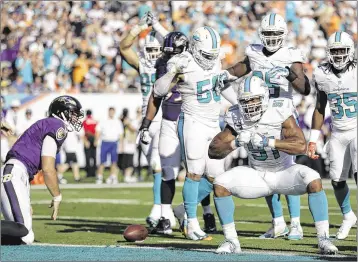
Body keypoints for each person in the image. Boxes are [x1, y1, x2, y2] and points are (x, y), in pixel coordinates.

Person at [208, 76, 337, 255]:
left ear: (265, 98)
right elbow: (213, 151)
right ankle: (231, 241)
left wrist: (269, 142)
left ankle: (323, 239)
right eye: (246, 101)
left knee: (313, 179)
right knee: (220, 184)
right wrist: (235, 143)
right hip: (257, 174)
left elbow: (300, 145)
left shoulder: (278, 111)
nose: (250, 105)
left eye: (254, 99)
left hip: (283, 172)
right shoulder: (236, 115)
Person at [223, 13, 311, 240]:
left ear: (284, 35)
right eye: (268, 34)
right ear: (262, 34)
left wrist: (289, 73)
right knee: (263, 166)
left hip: (282, 114)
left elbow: (305, 88)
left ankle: (296, 224)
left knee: (286, 168)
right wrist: (223, 75)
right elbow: (241, 68)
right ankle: (278, 222)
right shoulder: (253, 51)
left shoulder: (291, 54)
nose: (272, 38)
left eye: (276, 34)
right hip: (257, 114)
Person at [153, 26, 237, 240]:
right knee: (194, 172)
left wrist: (238, 103)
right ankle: (191, 222)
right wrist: (172, 72)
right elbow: (159, 90)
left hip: (213, 123)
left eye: (212, 55)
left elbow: (220, 85)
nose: (210, 59)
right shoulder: (182, 62)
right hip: (192, 122)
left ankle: (181, 209)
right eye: (206, 54)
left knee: (216, 177)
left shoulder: (214, 61)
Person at [143, 31, 217, 234]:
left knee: (201, 171)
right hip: (169, 121)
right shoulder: (163, 64)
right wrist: (145, 124)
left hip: (193, 122)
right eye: (168, 53)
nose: (171, 56)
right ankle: (166, 217)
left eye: (175, 52)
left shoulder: (197, 63)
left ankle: (203, 212)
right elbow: (156, 95)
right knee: (168, 171)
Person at [1, 95, 83, 244]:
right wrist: (57, 196)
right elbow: (47, 168)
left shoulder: (47, 124)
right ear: (62, 113)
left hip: (18, 174)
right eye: (73, 113)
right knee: (23, 234)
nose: (76, 118)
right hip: (14, 173)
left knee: (25, 235)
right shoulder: (57, 126)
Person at [119, 11, 168, 227]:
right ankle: (170, 212)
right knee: (156, 168)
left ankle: (158, 212)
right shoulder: (143, 65)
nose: (153, 54)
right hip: (147, 120)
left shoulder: (171, 63)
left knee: (159, 166)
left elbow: (181, 43)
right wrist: (139, 28)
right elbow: (123, 47)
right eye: (150, 50)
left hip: (167, 117)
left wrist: (157, 28)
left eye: (157, 50)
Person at [308, 31, 357, 240]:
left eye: (341, 50)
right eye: (334, 51)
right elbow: (320, 107)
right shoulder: (321, 74)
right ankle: (348, 216)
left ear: (350, 51)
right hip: (337, 131)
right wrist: (313, 138)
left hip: (356, 128)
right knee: (337, 179)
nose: (338, 55)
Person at [95, 107, 123, 184]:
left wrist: (121, 144)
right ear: (108, 112)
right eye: (110, 112)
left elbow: (120, 134)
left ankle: (113, 176)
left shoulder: (117, 121)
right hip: (105, 142)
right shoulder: (103, 121)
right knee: (102, 161)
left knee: (114, 161)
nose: (111, 113)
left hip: (113, 142)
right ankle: (99, 177)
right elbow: (98, 131)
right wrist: (96, 140)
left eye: (112, 112)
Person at [118, 108, 138, 183]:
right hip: (126, 142)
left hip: (130, 142)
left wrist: (127, 122)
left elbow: (133, 129)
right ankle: (126, 176)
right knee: (126, 160)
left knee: (130, 160)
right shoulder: (121, 121)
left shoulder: (130, 121)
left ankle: (128, 175)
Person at [82, 110, 97, 178]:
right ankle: (94, 172)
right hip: (93, 139)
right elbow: (97, 131)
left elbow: (84, 132)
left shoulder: (85, 121)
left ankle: (88, 172)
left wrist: (85, 141)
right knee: (94, 157)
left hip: (87, 139)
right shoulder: (95, 121)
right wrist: (96, 140)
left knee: (87, 157)